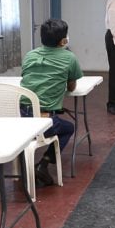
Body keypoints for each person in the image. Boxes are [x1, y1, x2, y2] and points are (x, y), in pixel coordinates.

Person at [20, 18, 83, 186]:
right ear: (63, 40)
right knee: (69, 128)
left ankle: (27, 167)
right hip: (44, 121)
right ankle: (44, 163)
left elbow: (27, 77)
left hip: (20, 118)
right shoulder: (70, 58)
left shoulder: (30, 55)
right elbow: (71, 87)